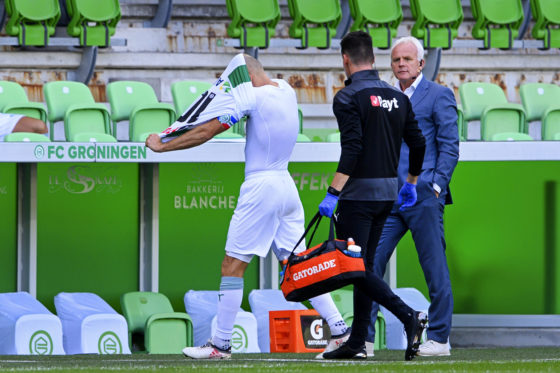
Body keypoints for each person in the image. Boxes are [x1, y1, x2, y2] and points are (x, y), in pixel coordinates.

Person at [146, 54, 350, 360]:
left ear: (243, 79)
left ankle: (221, 344)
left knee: (232, 266)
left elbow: (206, 131)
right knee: (298, 265)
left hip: (261, 187)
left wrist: (163, 145)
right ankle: (340, 331)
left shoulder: (249, 97)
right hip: (286, 186)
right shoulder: (285, 89)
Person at [318, 31, 428, 361]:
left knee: (354, 269)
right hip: (388, 195)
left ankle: (408, 316)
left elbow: (352, 148)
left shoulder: (347, 97)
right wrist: (410, 183)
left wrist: (332, 192)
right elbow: (419, 143)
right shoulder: (398, 97)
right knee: (363, 267)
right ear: (375, 59)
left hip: (356, 196)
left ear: (345, 60)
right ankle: (358, 343)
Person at [367, 36, 459, 357]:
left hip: (423, 196)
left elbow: (449, 146)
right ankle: (364, 338)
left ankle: (439, 339)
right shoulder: (385, 97)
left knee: (434, 268)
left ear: (421, 63)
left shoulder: (439, 95)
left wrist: (435, 187)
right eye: (396, 60)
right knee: (368, 265)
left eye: (408, 59)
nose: (401, 64)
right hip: (390, 198)